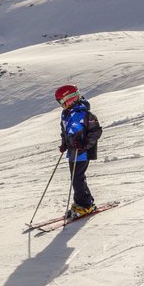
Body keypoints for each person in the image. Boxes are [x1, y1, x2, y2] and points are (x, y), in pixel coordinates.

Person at [55, 84, 100, 218]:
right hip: (73, 152)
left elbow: (96, 131)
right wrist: (64, 144)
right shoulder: (66, 114)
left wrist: (84, 144)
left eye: (61, 102)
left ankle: (85, 205)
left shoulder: (85, 114)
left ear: (69, 99)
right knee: (76, 178)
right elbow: (65, 132)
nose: (61, 105)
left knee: (77, 179)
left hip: (83, 152)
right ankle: (83, 202)